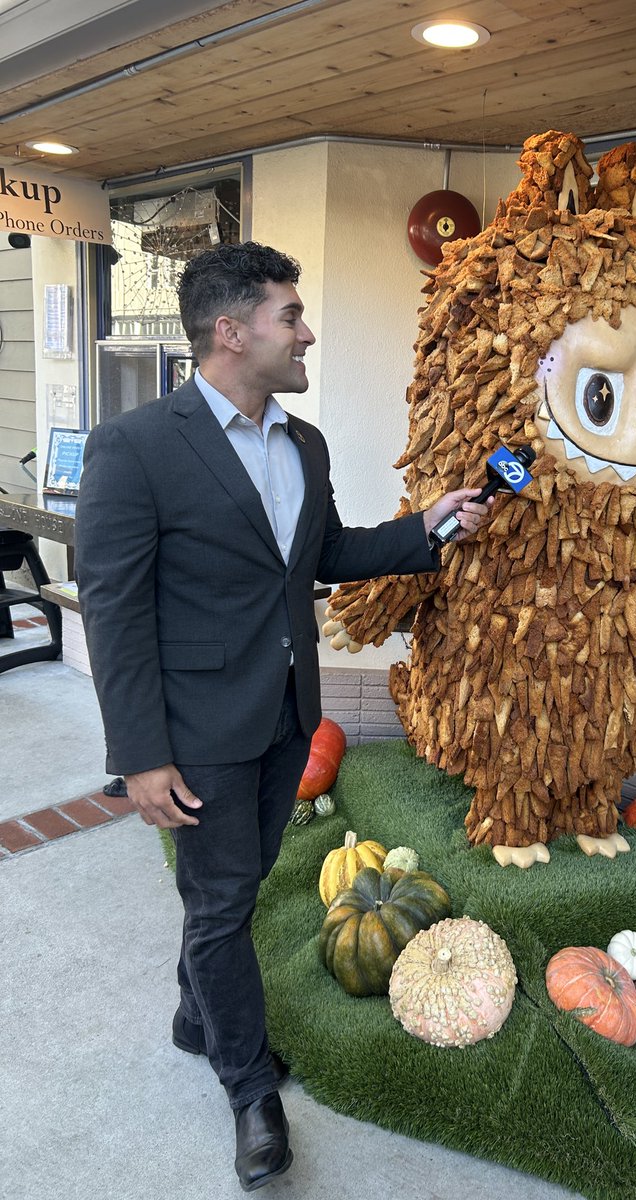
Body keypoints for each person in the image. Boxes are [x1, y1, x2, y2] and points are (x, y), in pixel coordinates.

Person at [74, 241, 492, 1192]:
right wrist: (140, 754)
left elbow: (326, 551)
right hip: (196, 727)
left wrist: (427, 524)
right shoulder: (136, 447)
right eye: (290, 315)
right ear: (232, 331)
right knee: (221, 906)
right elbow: (116, 609)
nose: (306, 332)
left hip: (285, 715)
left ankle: (195, 1017)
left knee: (238, 883)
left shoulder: (302, 441)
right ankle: (247, 1085)